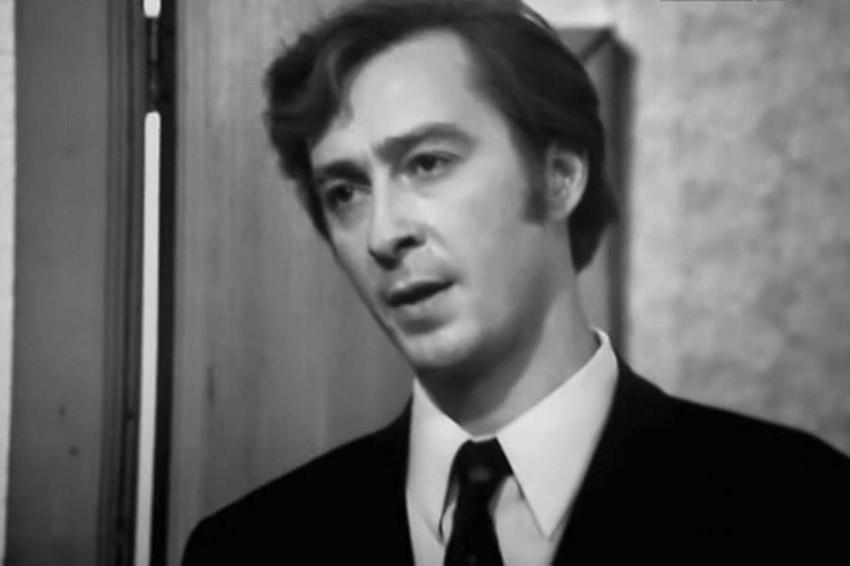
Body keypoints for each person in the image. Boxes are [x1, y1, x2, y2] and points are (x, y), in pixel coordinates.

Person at [183, 0, 850, 564]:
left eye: (428, 162)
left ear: (559, 177)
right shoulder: (249, 547)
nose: (383, 234)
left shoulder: (798, 507)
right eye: (345, 192)